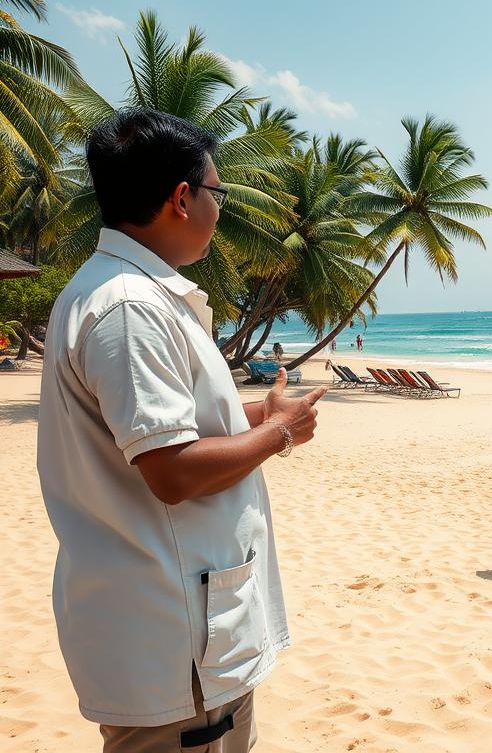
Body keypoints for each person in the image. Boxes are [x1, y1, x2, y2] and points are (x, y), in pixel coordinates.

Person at [37, 108, 327, 753]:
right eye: (216, 193)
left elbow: (158, 431)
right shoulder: (132, 308)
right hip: (178, 634)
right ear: (181, 198)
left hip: (174, 621)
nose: (218, 209)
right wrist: (280, 435)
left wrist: (255, 417)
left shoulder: (115, 294)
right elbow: (171, 471)